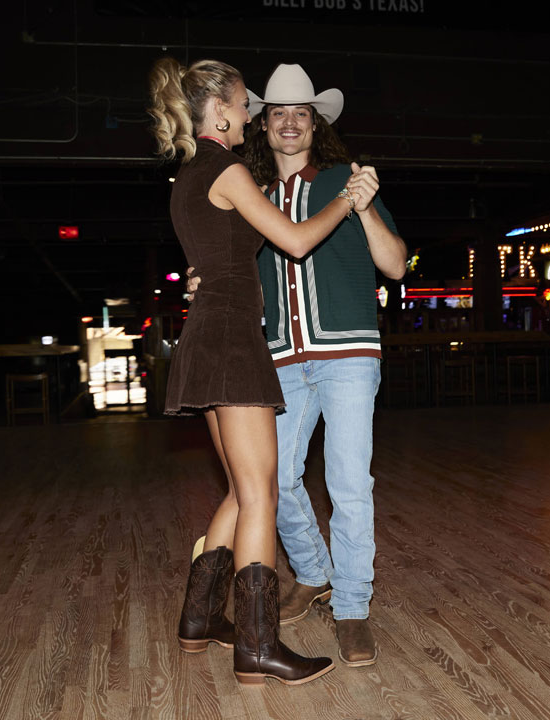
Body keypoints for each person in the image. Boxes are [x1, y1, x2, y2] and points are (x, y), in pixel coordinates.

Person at [147, 57, 377, 686]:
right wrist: (347, 203)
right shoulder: (223, 167)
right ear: (219, 110)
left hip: (207, 341)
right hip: (231, 344)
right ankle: (258, 645)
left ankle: (198, 621)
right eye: (246, 103)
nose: (251, 114)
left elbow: (215, 257)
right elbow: (297, 241)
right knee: (261, 495)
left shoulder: (188, 178)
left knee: (238, 490)